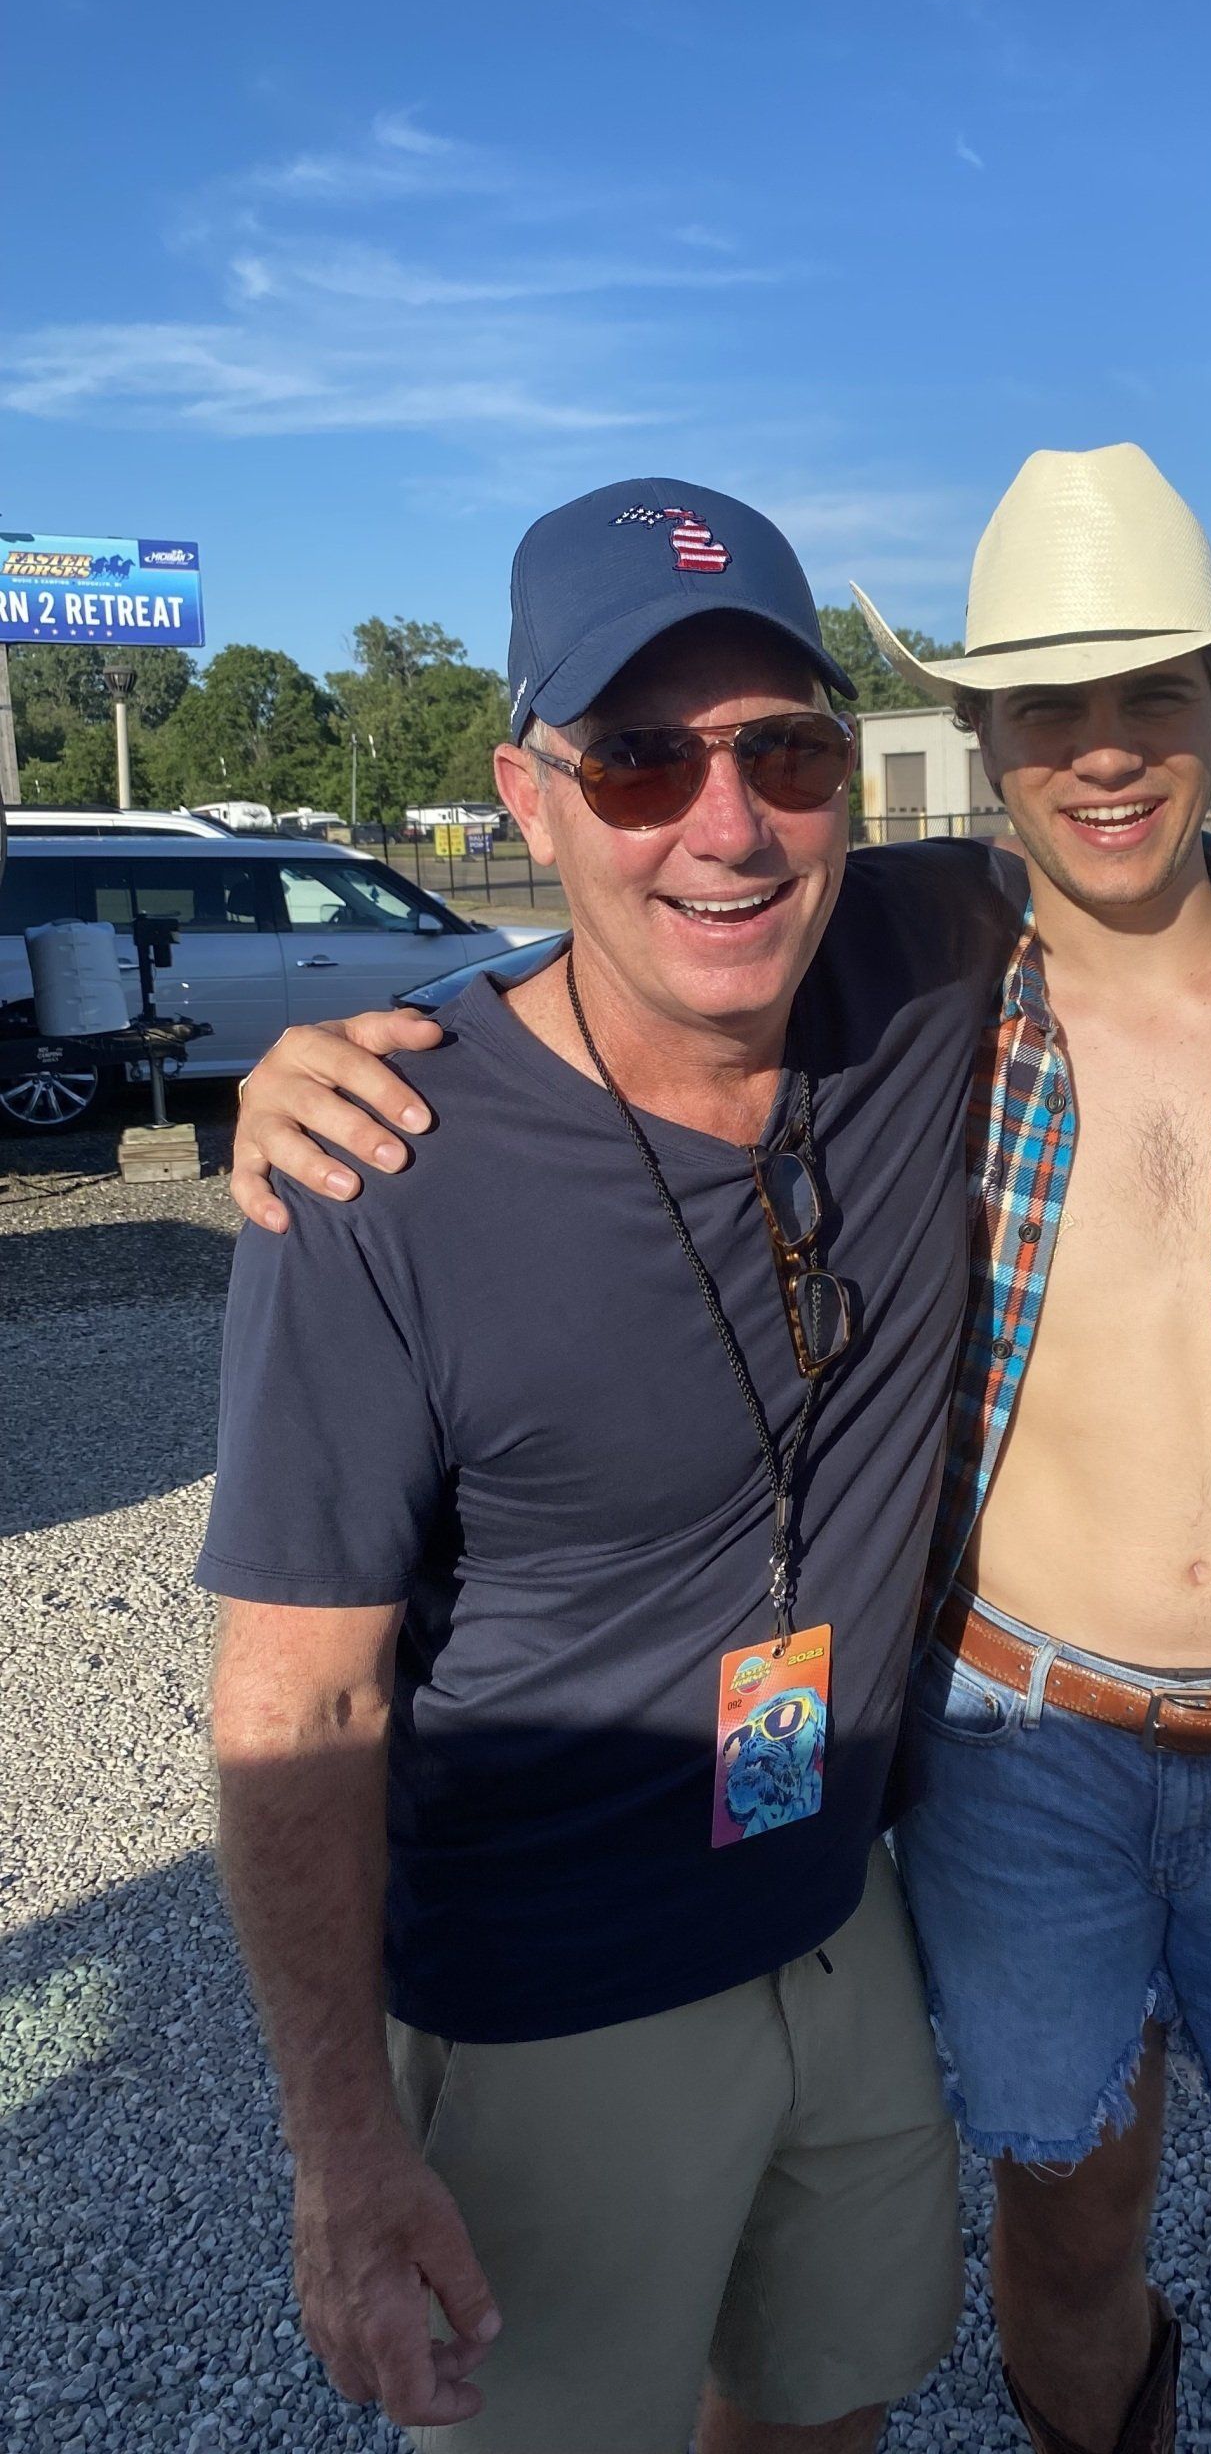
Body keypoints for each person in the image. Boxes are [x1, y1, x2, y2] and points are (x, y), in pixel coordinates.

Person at [229, 444, 1211, 2454]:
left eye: (1155, 692)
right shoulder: (855, 998)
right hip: (929, 1798)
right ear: (983, 737)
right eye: (1048, 702)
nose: (1105, 751)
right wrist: (334, 1040)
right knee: (1055, 2236)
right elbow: (299, 1685)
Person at [202, 478, 1021, 2454]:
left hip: (841, 1922)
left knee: (831, 2407)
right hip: (547, 2000)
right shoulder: (379, 1167)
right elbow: (297, 1694)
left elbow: (1145, 848)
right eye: (643, 759)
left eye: (787, 753)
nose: (725, 824)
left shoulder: (929, 959)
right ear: (530, 790)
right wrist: (340, 2142)